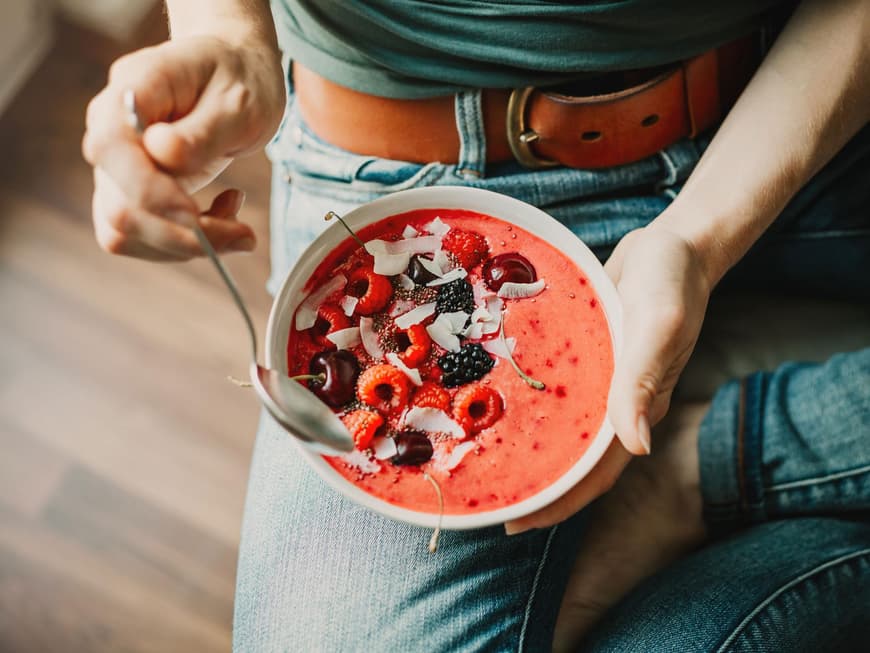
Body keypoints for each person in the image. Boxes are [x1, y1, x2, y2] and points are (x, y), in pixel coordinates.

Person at [82, 0, 870, 650]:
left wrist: (695, 240)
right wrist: (228, 39)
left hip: (805, 106)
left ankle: (711, 467)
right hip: (406, 170)